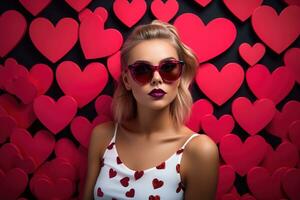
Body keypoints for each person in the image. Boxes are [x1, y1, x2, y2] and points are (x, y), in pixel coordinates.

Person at [82, 20, 219, 200]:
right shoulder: (103, 136)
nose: (156, 79)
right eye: (142, 70)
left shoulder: (199, 151)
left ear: (180, 76)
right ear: (126, 80)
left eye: (168, 68)